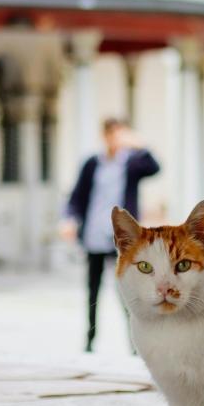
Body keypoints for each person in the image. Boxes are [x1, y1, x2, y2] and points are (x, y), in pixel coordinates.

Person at [60, 118, 160, 352]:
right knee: (92, 289)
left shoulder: (133, 163)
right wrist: (69, 219)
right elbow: (78, 196)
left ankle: (134, 343)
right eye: (111, 134)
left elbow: (155, 168)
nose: (115, 139)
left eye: (119, 134)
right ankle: (90, 339)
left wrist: (140, 144)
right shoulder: (93, 164)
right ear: (104, 136)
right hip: (95, 232)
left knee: (126, 288)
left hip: (122, 238)